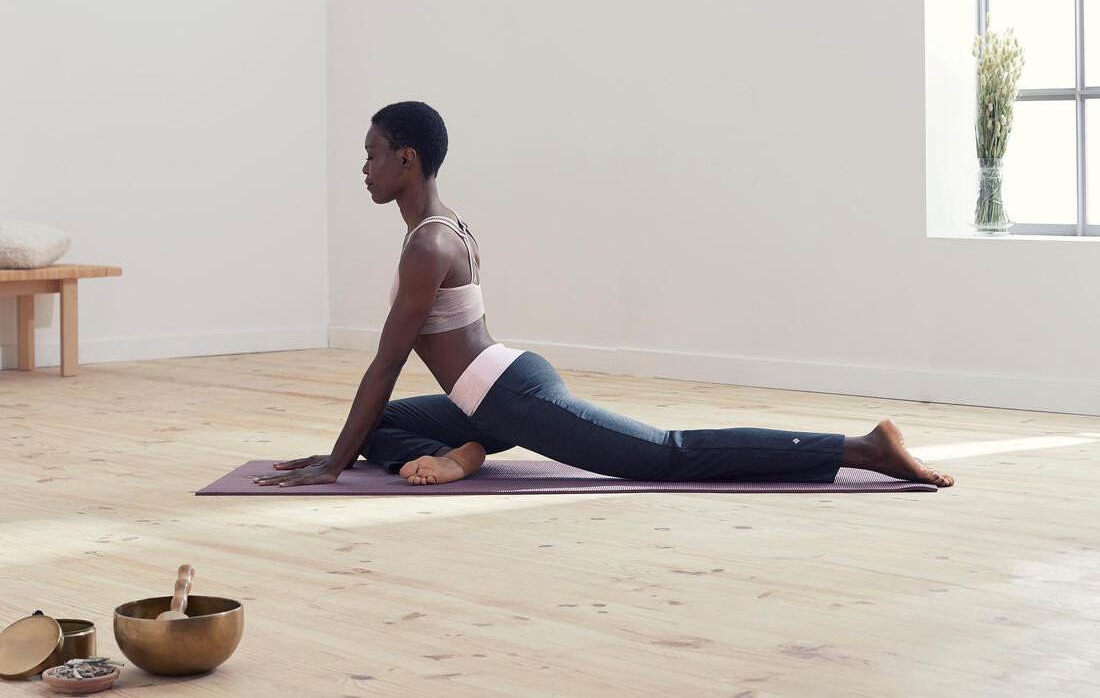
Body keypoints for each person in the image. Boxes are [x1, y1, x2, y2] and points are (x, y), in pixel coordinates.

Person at [255, 102, 954, 489]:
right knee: (373, 425)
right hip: (491, 398)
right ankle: (468, 450)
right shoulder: (443, 227)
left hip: (512, 398)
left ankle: (862, 448)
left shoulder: (428, 245)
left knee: (668, 454)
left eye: (373, 153)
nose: (364, 168)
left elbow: (385, 363)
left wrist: (331, 466)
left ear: (407, 160)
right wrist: (338, 451)